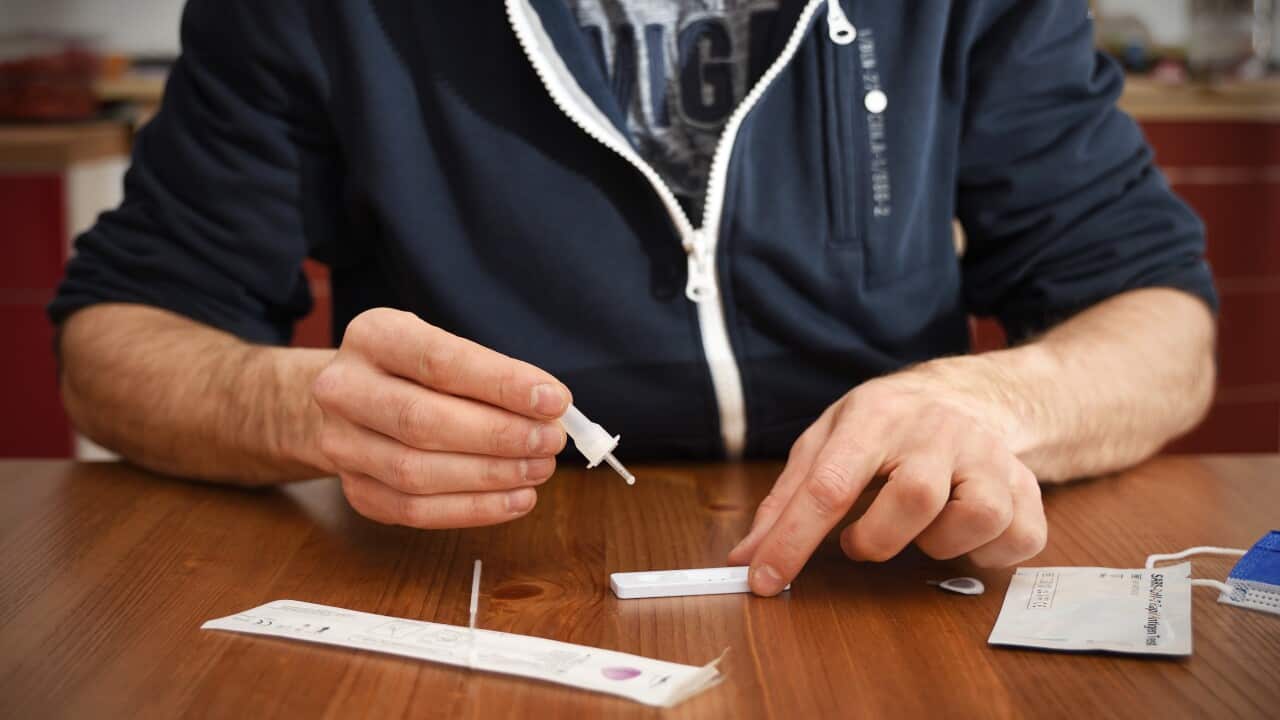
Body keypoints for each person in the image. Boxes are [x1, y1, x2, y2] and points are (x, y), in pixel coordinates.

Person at [50, 0, 1217, 597]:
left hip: (883, 576)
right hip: (465, 580)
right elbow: (117, 334)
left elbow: (1155, 318)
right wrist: (293, 410)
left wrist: (995, 400)